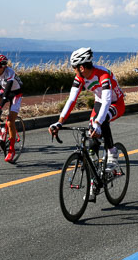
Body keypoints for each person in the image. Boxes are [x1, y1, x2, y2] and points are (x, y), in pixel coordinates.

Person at [49, 47, 125, 180]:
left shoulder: (103, 75)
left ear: (82, 68)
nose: (73, 70)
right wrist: (59, 122)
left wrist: (98, 122)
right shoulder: (80, 78)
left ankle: (112, 152)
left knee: (102, 120)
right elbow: (71, 100)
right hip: (99, 102)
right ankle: (95, 173)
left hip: (115, 103)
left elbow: (107, 101)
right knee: (92, 135)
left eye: (74, 67)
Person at [0, 54, 23, 163]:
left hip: (15, 93)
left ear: (5, 66)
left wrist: (0, 106)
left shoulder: (10, 72)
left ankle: (11, 150)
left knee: (10, 121)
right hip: (4, 90)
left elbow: (7, 92)